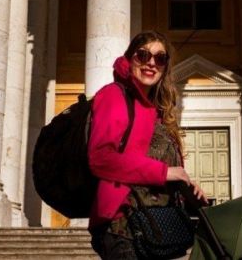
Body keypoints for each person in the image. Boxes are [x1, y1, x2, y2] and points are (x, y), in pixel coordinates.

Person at [88, 31, 207, 259]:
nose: (151, 63)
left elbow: (154, 165)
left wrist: (186, 185)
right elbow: (100, 158)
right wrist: (165, 172)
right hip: (123, 225)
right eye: (143, 55)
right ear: (129, 58)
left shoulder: (159, 112)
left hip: (156, 225)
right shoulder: (114, 95)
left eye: (160, 58)